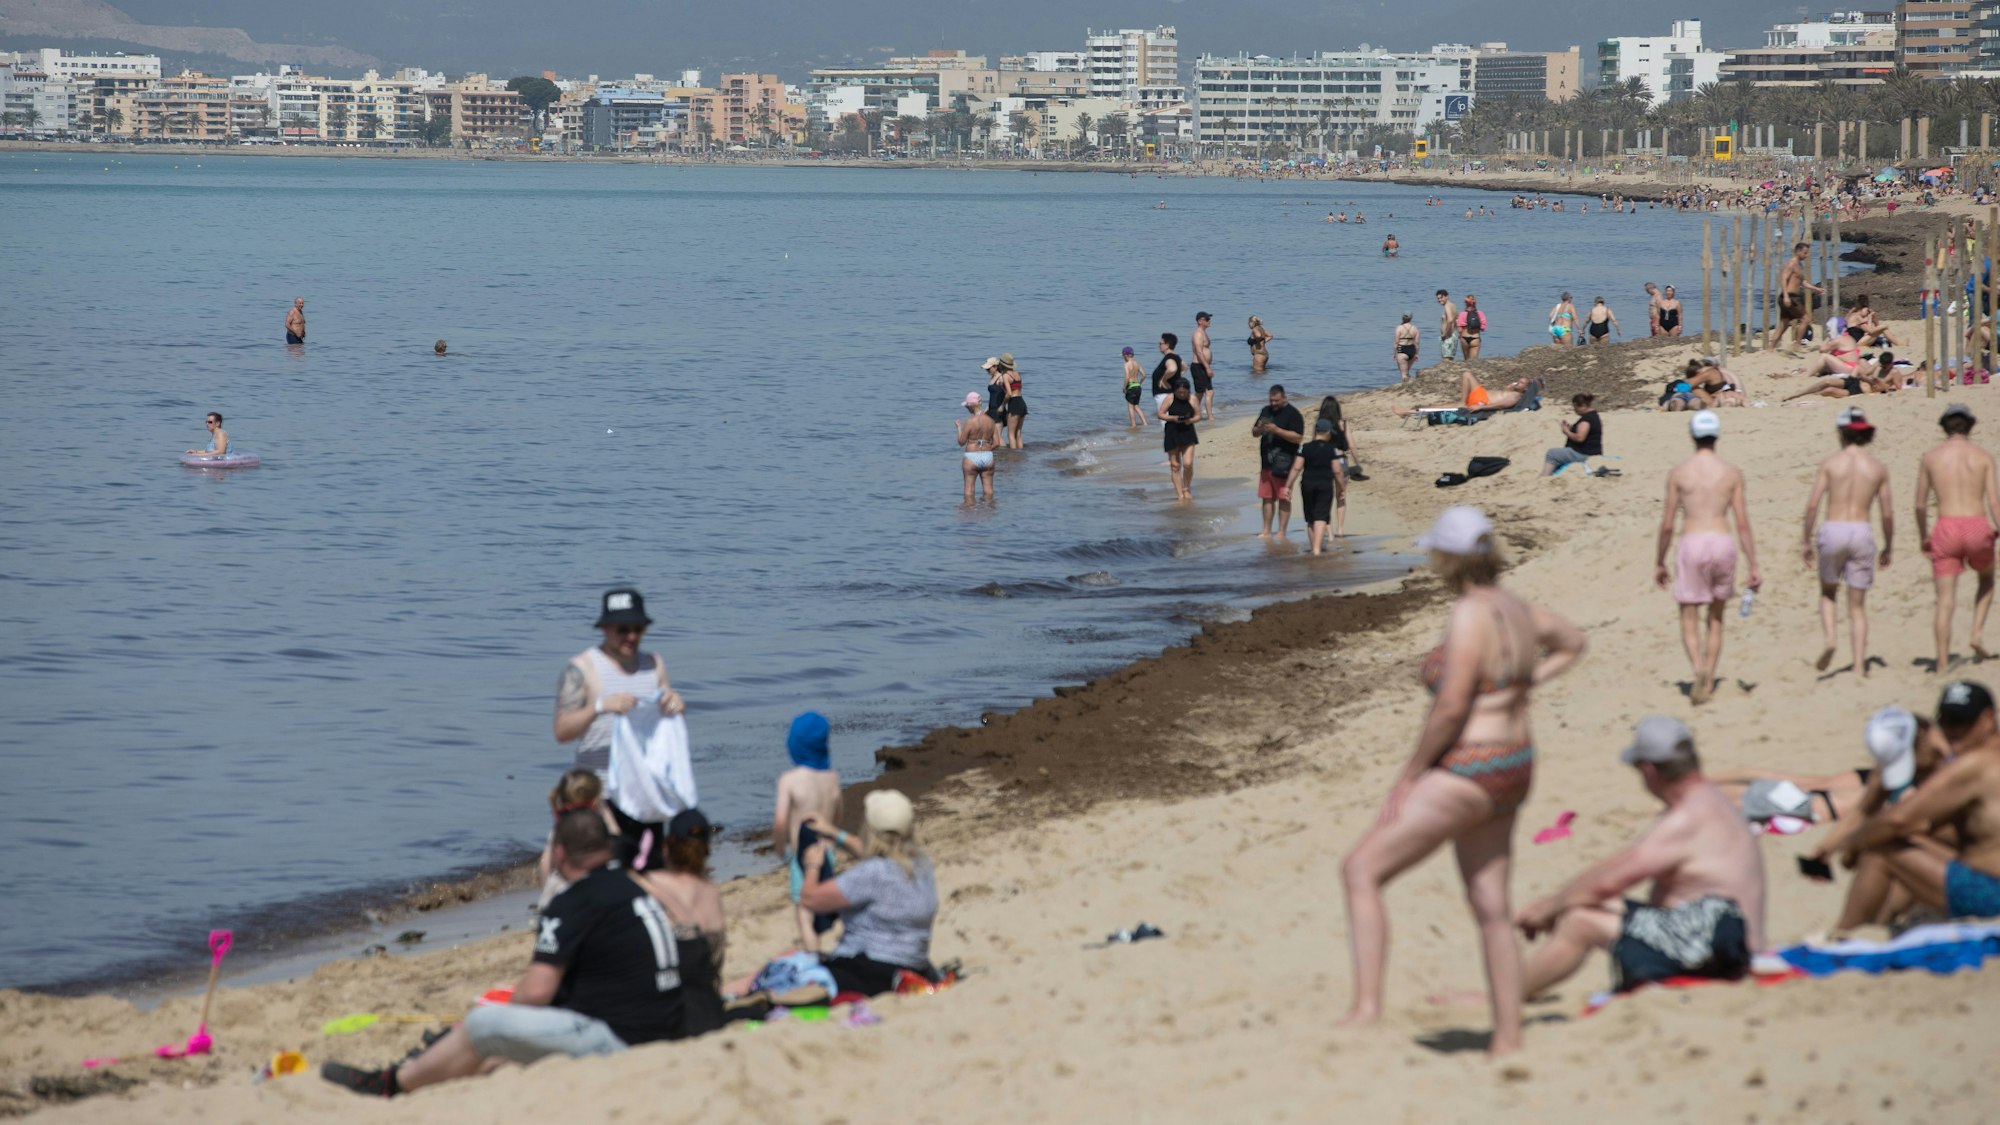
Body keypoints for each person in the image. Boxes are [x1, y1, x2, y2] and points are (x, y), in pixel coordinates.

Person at [1340, 507, 1586, 1056]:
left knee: (1360, 870)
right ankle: (1506, 1038)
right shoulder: (1521, 609)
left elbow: (1451, 708)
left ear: (1446, 559)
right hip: (1516, 761)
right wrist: (1522, 686)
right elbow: (1573, 641)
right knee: (1491, 905)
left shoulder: (1470, 613)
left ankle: (1366, 1010)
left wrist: (1410, 775)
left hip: (1471, 762)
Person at [321, 809, 719, 1097]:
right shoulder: (631, 886)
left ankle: (392, 1084)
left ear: (559, 855)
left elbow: (536, 993)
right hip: (665, 1023)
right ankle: (434, 1073)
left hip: (626, 1041)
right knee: (496, 1057)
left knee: (484, 1025)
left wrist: (505, 1010)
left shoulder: (575, 900)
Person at [1515, 718, 1766, 997]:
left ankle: (1502, 1000)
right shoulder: (1709, 800)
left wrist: (1551, 909)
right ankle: (1523, 989)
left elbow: (1608, 883)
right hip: (1715, 941)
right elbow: (1622, 864)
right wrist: (1557, 901)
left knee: (1581, 921)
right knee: (1591, 904)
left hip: (1714, 954)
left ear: (1649, 771)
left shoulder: (1686, 818)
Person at [1839, 682, 2000, 921]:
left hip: (1990, 895)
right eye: (1946, 722)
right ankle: (1879, 928)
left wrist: (1853, 844)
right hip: (1984, 882)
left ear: (1988, 720)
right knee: (1909, 841)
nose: (1952, 730)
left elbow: (1897, 820)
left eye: (1961, 722)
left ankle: (1842, 938)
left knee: (1880, 845)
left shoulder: (1977, 764)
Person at [1656, 412, 1762, 705]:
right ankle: (1711, 676)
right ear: (1717, 436)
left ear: (1692, 435)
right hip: (1722, 541)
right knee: (1716, 617)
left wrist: (1660, 560)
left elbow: (1667, 524)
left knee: (1688, 614)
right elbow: (1742, 523)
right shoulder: (1731, 473)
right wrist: (1753, 564)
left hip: (1692, 542)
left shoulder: (1680, 473)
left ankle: (1698, 669)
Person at [798, 789, 939, 996]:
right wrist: (832, 832)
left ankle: (732, 996)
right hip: (914, 965)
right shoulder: (921, 864)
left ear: (871, 829)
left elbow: (811, 899)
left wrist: (811, 866)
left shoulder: (873, 873)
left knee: (786, 964)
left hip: (870, 971)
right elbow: (872, 852)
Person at [554, 588, 687, 785]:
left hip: (645, 787)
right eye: (623, 629)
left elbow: (669, 716)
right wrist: (600, 707)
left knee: (694, 817)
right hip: (598, 789)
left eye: (638, 629)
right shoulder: (582, 668)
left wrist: (676, 705)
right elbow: (562, 732)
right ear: (605, 628)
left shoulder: (654, 664)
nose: (631, 637)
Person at [1802, 407, 1895, 674]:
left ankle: (1831, 640)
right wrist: (1889, 544)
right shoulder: (1877, 468)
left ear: (1841, 433)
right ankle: (1857, 665)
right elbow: (1887, 514)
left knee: (1828, 592)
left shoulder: (1831, 464)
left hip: (1833, 529)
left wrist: (1806, 540)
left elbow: (1812, 505)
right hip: (1861, 531)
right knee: (1857, 607)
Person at [1917, 405, 1998, 671]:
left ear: (1944, 427)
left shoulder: (1931, 457)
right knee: (1986, 578)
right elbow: (1994, 503)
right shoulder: (1983, 456)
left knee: (1945, 600)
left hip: (1946, 526)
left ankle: (1941, 662)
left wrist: (1923, 536)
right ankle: (1975, 633)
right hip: (1976, 524)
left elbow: (1919, 506)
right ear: (1971, 426)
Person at [632, 808, 727, 1034]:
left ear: (667, 847)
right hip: (709, 1009)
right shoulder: (712, 893)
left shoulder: (650, 883)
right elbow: (717, 963)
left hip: (668, 1013)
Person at [773, 711, 842, 953]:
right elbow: (837, 813)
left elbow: (781, 821)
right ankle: (823, 951)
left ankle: (814, 958)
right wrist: (833, 841)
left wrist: (780, 846)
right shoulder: (832, 778)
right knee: (823, 907)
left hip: (802, 855)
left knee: (805, 914)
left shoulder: (789, 780)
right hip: (827, 851)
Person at [1284, 418, 1348, 553]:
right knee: (1321, 516)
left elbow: (1296, 468)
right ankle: (1317, 550)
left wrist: (1287, 486)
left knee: (1311, 518)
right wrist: (1341, 488)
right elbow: (1337, 471)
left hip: (1307, 484)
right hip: (1324, 485)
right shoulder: (1332, 449)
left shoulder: (1305, 447)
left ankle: (1314, 546)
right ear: (1328, 432)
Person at [1253, 385, 1305, 539]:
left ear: (1284, 398)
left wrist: (1277, 431)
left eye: (1276, 400)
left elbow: (1298, 438)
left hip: (1285, 463)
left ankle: (1281, 531)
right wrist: (1260, 429)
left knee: (1283, 497)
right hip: (1266, 462)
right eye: (1271, 400)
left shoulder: (1293, 414)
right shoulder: (1265, 411)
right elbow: (1254, 433)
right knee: (1266, 497)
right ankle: (1266, 530)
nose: (1273, 403)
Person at [1771, 241, 1825, 351]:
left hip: (1791, 297)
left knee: (1784, 325)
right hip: (1790, 297)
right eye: (1805, 253)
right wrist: (1786, 296)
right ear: (1798, 251)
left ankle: (1770, 348)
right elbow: (1783, 278)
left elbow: (1803, 282)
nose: (1807, 255)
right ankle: (1797, 345)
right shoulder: (1792, 263)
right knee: (1806, 319)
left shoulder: (1799, 265)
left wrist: (1816, 289)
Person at [1541, 393, 1602, 477]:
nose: (1575, 410)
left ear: (1581, 406)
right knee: (1559, 455)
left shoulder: (1587, 419)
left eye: (1575, 407)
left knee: (1552, 453)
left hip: (1584, 453)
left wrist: (1566, 432)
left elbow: (1580, 438)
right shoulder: (1593, 416)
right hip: (1589, 451)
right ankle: (1551, 474)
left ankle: (1545, 476)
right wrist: (1571, 429)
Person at [1159, 379, 1199, 501]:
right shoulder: (1170, 398)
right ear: (1175, 391)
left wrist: (1190, 420)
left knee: (1187, 463)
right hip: (1172, 432)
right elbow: (1160, 414)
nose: (1182, 395)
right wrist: (1173, 418)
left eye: (1184, 392)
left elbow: (1198, 415)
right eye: (1179, 392)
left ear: (1188, 391)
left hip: (1188, 432)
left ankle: (1186, 488)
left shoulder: (1192, 399)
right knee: (1175, 465)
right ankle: (1180, 494)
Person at [956, 392, 998, 503]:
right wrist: (986, 450)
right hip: (988, 457)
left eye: (967, 406)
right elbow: (997, 442)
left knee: (969, 492)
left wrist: (959, 428)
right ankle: (988, 516)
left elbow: (961, 442)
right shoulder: (991, 421)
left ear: (971, 406)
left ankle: (970, 517)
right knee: (988, 491)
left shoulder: (970, 422)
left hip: (971, 458)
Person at [998, 353, 1026, 450]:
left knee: (1010, 434)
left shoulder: (1005, 375)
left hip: (1014, 403)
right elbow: (1016, 389)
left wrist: (1002, 406)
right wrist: (1003, 386)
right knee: (1018, 433)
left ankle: (1013, 457)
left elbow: (1009, 394)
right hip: (1022, 402)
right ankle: (1020, 454)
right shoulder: (1018, 374)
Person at [1151, 333, 1184, 416]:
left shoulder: (1169, 358)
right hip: (1171, 393)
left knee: (1166, 420)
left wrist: (1164, 379)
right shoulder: (1176, 357)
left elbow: (1172, 369)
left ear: (1167, 345)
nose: (1159, 345)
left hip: (1164, 394)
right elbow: (1184, 367)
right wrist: (1177, 378)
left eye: (1161, 343)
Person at [1191, 312, 1217, 421]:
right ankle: (1210, 417)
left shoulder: (1203, 332)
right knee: (1209, 392)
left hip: (1202, 366)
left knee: (1200, 393)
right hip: (1199, 366)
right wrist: (1207, 367)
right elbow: (1199, 352)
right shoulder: (1198, 334)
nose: (1209, 321)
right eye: (1207, 319)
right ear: (1200, 321)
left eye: (1209, 319)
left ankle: (1190, 412)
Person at [1121, 346, 1147, 428]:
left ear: (1126, 355)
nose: (1123, 357)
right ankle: (1145, 423)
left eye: (1123, 355)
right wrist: (1139, 383)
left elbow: (1127, 377)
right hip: (1138, 387)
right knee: (1136, 406)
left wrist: (1124, 387)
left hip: (1131, 387)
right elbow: (1144, 375)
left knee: (1130, 407)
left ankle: (1133, 425)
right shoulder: (1137, 363)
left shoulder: (1126, 364)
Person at [1457, 295, 1485, 361]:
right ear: (1475, 302)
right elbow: (1483, 328)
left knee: (1466, 360)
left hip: (1464, 338)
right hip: (1475, 338)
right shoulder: (1480, 314)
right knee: (1473, 362)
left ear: (1465, 303)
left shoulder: (1462, 314)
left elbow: (1459, 330)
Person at [1393, 313, 1419, 382]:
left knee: (1403, 374)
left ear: (1402, 318)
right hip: (1412, 350)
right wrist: (1416, 354)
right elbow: (1416, 343)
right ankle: (1409, 383)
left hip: (1402, 350)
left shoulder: (1399, 328)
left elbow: (1396, 342)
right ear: (1411, 318)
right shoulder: (1415, 328)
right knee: (1406, 371)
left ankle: (1404, 387)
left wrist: (1394, 353)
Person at [1436, 289, 1460, 361]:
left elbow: (1450, 321)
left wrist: (1445, 334)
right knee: (1450, 360)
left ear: (1447, 297)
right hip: (1454, 335)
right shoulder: (1453, 305)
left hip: (1448, 337)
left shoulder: (1447, 306)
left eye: (1441, 297)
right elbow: (1457, 319)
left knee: (1446, 361)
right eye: (1438, 298)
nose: (1440, 300)